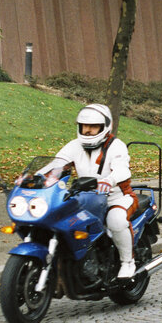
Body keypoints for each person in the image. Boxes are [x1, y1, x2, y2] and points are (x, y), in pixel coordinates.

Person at [43, 104, 139, 279]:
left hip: (117, 197)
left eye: (93, 127)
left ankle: (127, 262)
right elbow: (56, 164)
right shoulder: (74, 145)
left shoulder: (116, 146)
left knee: (116, 220)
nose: (87, 131)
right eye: (84, 126)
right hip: (85, 198)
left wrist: (109, 180)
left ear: (105, 127)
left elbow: (123, 169)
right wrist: (35, 177)